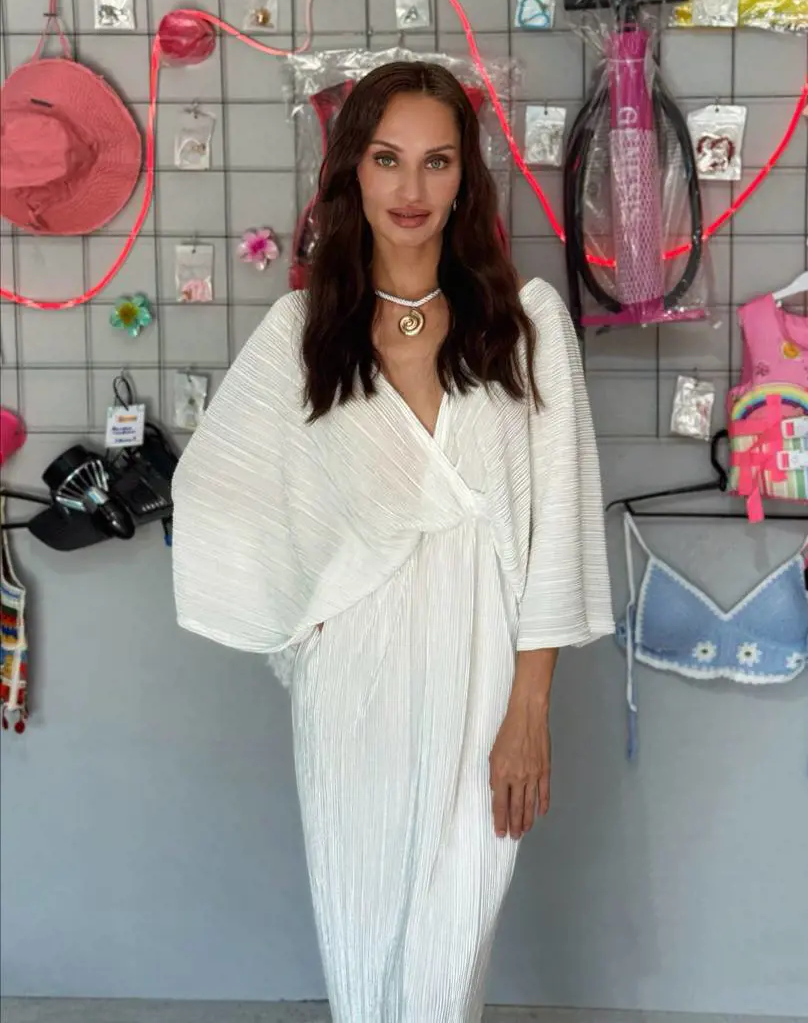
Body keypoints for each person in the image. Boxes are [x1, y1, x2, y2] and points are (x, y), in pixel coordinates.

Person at [171, 61, 613, 1021]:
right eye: (387, 159)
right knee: (360, 927)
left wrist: (530, 708)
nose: (411, 188)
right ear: (352, 171)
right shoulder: (301, 333)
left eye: (437, 161)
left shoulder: (526, 325)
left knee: (451, 945)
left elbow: (557, 528)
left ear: (465, 179)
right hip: (353, 677)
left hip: (483, 664)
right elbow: (218, 486)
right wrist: (306, 621)